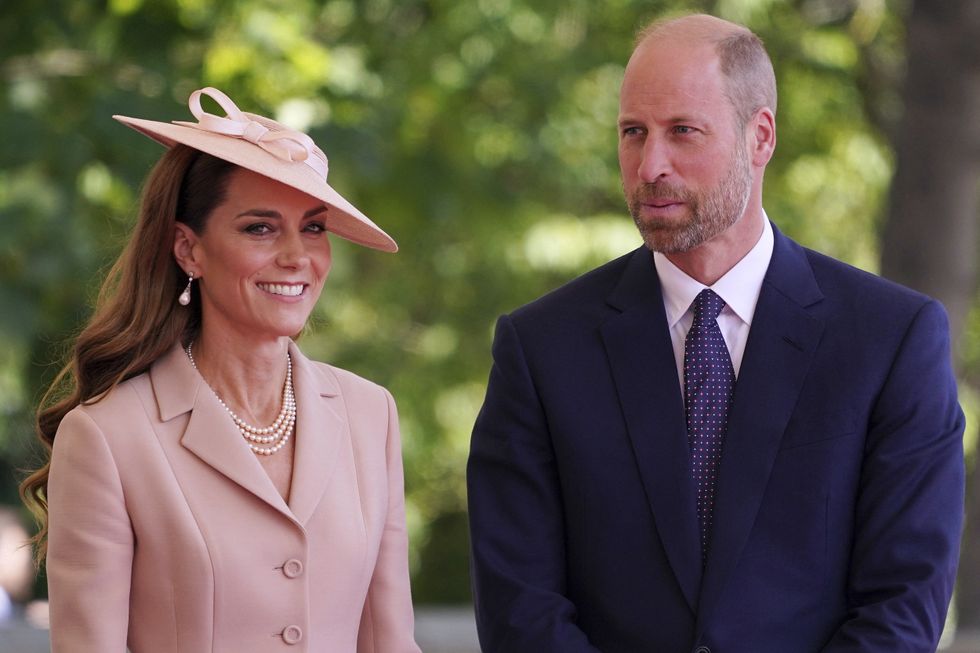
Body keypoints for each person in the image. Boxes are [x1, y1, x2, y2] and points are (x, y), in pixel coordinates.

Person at [467, 13, 965, 653]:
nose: (650, 165)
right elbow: (520, 610)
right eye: (633, 133)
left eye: (683, 132)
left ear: (760, 138)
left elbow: (903, 605)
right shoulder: (540, 349)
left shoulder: (891, 341)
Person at [20, 87, 422, 652]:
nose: (296, 256)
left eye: (312, 228)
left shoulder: (369, 413)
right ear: (188, 249)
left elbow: (390, 641)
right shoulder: (106, 436)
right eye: (260, 228)